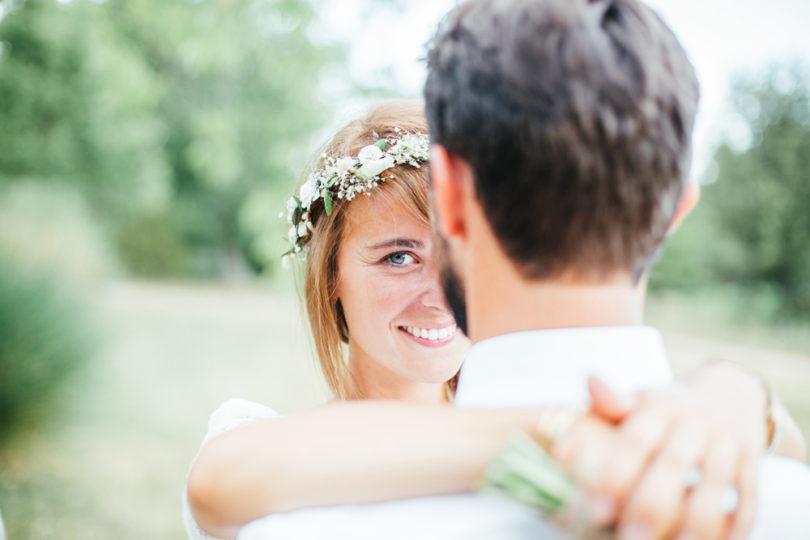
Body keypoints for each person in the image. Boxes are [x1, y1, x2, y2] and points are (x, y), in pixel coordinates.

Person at [234, 1, 810, 539]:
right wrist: (741, 393)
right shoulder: (787, 503)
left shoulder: (294, 520)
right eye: (399, 257)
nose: (431, 292)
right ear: (675, 213)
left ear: (452, 198)